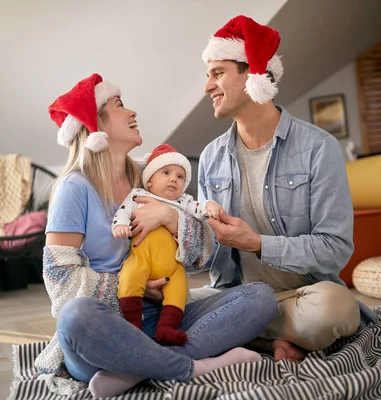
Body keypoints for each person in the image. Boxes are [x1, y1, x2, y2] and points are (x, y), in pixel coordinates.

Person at [33, 73, 278, 399]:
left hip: (164, 315)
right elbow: (60, 280)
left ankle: (137, 368)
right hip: (108, 327)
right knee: (75, 317)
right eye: (119, 105)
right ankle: (191, 366)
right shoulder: (73, 189)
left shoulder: (149, 176)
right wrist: (133, 285)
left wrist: (171, 218)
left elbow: (203, 254)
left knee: (260, 297)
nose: (133, 112)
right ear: (96, 128)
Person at [195, 15, 378, 362]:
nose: (207, 86)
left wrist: (258, 244)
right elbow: (206, 257)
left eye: (217, 73)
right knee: (157, 305)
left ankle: (238, 337)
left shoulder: (318, 147)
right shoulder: (210, 157)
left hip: (302, 297)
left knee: (336, 310)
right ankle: (266, 340)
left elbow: (335, 249)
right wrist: (174, 234)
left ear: (252, 74)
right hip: (236, 297)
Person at [112, 143, 222, 346]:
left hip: (173, 266)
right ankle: (133, 325)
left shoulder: (183, 201)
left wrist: (209, 205)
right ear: (150, 181)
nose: (174, 179)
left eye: (180, 177)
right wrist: (120, 225)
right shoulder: (139, 195)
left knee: (179, 291)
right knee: (129, 278)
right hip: (141, 257)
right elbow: (123, 211)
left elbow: (198, 207)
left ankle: (167, 329)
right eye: (166, 172)